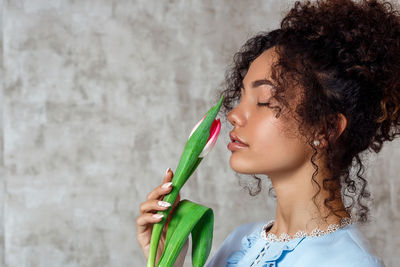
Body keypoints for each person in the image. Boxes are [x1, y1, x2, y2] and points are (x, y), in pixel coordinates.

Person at [137, 0, 400, 265]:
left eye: (264, 101)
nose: (233, 115)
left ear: (326, 128)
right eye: (240, 96)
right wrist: (167, 258)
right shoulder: (239, 241)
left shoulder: (346, 262)